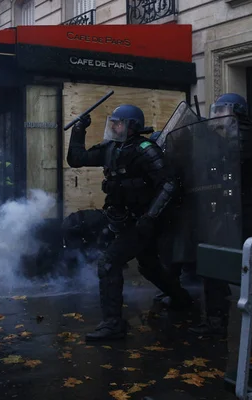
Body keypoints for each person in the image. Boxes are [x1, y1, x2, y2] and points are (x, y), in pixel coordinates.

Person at [67, 104, 193, 341]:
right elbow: (76, 159)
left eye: (118, 122)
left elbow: (168, 184)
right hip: (122, 219)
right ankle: (181, 298)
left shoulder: (146, 149)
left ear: (132, 126)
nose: (113, 126)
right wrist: (79, 130)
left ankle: (114, 324)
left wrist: (149, 217)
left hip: (141, 222)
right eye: (112, 122)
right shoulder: (111, 149)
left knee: (108, 263)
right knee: (148, 266)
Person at [189, 93, 252, 337]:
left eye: (220, 111)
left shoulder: (242, 132)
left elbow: (231, 163)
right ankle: (227, 312)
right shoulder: (236, 132)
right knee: (223, 259)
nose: (215, 115)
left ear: (235, 112)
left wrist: (210, 140)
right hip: (237, 208)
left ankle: (220, 318)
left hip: (244, 209)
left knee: (220, 259)